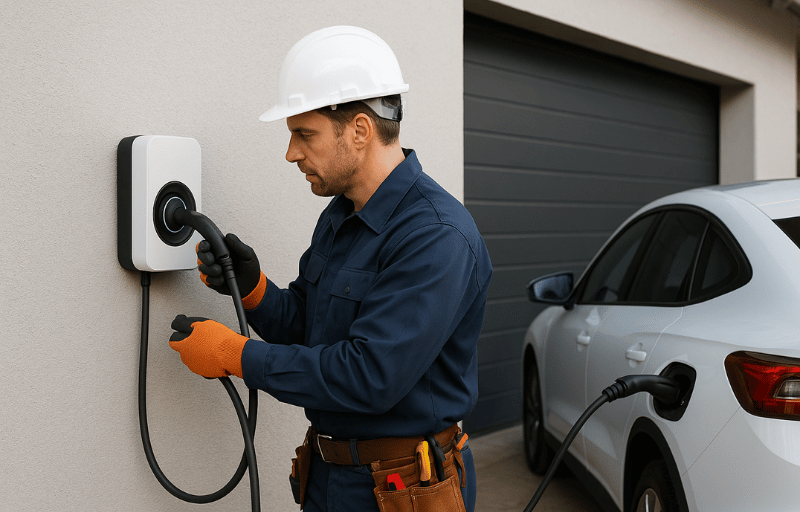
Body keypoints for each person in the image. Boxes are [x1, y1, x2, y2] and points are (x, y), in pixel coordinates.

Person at [167, 26, 492, 512]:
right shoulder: (342, 213)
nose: (291, 152)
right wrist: (255, 290)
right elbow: (309, 327)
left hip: (403, 490)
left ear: (359, 130)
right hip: (329, 477)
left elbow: (368, 375)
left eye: (304, 134)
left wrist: (237, 356)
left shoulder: (436, 236)